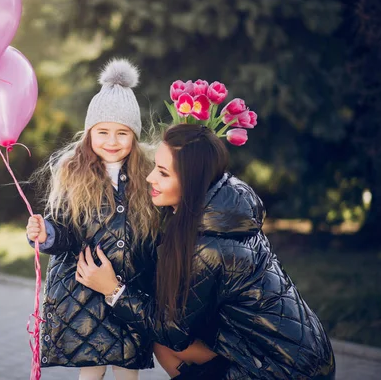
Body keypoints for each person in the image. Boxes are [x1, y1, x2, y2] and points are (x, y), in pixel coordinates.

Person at [76, 124, 336, 379]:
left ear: (191, 183)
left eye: (163, 173)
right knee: (164, 346)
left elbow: (173, 332)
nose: (150, 177)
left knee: (166, 341)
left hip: (286, 371)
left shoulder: (208, 246)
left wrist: (113, 291)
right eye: (156, 166)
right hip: (300, 356)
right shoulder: (221, 210)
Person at [26, 59, 160, 380]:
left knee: (128, 368)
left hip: (130, 285)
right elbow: (66, 229)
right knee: (92, 366)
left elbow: (156, 231)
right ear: (89, 134)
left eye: (121, 133)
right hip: (85, 291)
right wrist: (47, 233)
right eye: (102, 132)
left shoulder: (147, 172)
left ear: (134, 135)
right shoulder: (74, 171)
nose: (111, 141)